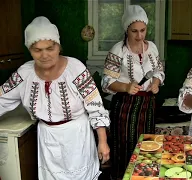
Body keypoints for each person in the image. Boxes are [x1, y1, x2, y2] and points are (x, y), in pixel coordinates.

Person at [0, 16, 110, 180]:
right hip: (47, 139)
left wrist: (102, 141)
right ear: (29, 49)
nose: (44, 55)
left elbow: (96, 107)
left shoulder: (76, 69)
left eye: (50, 48)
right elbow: (2, 98)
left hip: (77, 137)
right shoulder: (24, 74)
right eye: (37, 50)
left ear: (58, 46)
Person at [102, 5, 165, 179]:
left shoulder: (151, 48)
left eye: (143, 30)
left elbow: (159, 71)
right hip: (125, 107)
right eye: (134, 31)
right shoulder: (118, 50)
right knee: (125, 146)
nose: (139, 36)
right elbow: (106, 82)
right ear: (126, 30)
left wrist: (156, 83)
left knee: (146, 145)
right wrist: (126, 87)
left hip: (148, 104)